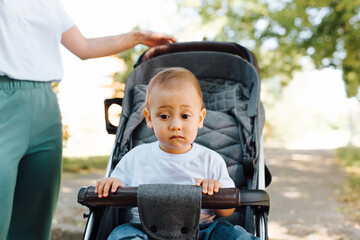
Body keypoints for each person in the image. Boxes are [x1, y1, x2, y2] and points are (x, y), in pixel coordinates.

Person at [0, 0, 176, 239]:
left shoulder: (49, 4)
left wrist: (138, 37)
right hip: (4, 100)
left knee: (34, 224)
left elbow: (83, 47)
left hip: (45, 108)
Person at [95, 67, 259, 240]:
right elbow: (115, 193)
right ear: (149, 118)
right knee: (120, 235)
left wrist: (215, 191)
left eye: (185, 116)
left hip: (202, 230)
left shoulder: (211, 160)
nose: (175, 125)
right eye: (164, 116)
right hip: (144, 230)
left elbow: (226, 211)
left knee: (234, 234)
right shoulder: (135, 158)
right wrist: (111, 183)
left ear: (200, 118)